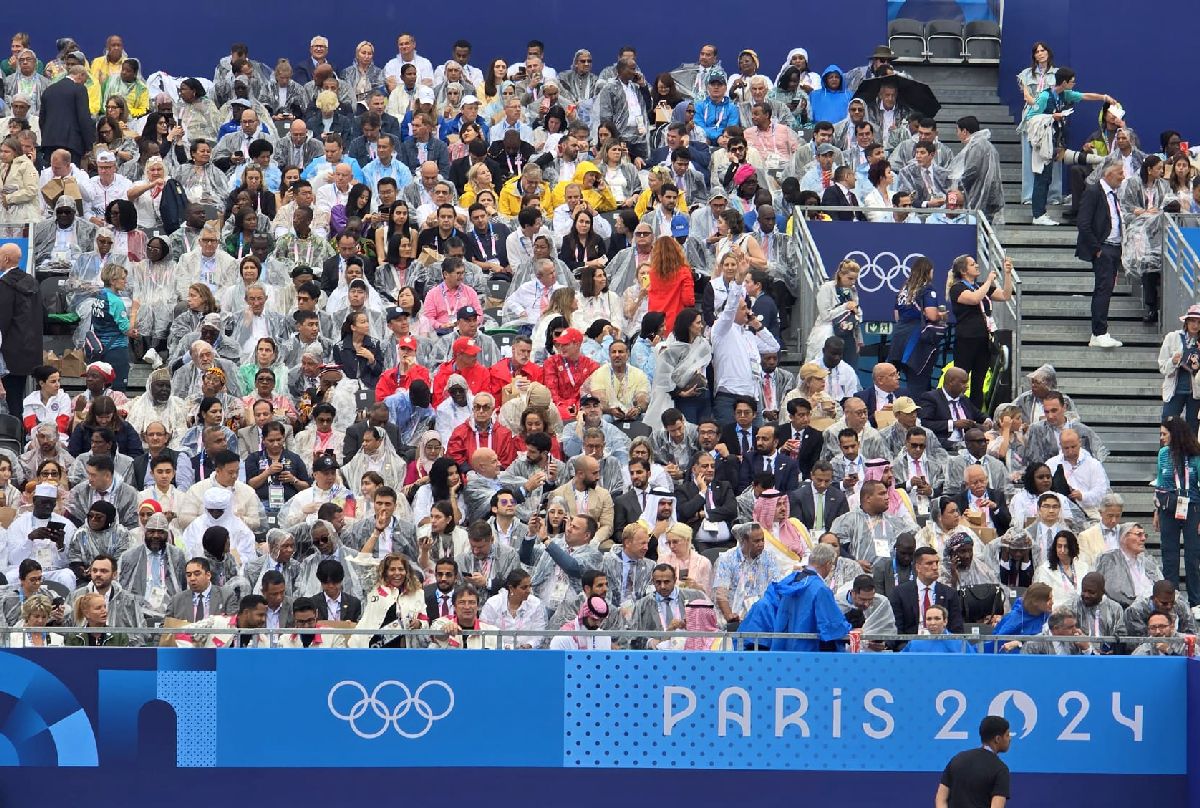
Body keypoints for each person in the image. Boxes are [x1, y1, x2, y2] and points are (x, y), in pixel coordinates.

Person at [738, 542, 850, 651]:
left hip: (784, 650)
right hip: (809, 654)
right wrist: (850, 629)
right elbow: (832, 626)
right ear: (828, 564)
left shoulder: (789, 581)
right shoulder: (820, 589)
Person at [948, 254, 1014, 410]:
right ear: (964, 271)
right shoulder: (957, 288)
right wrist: (989, 280)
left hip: (983, 339)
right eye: (972, 264)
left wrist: (1007, 274)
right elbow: (974, 299)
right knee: (960, 379)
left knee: (979, 379)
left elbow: (1005, 295)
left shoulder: (980, 286)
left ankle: (976, 415)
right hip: (966, 339)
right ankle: (955, 410)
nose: (977, 265)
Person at [1076, 158, 1126, 349]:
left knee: (1107, 289)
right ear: (1109, 174)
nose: (1123, 177)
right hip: (1103, 248)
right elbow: (1083, 223)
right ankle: (1098, 332)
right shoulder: (1094, 191)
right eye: (1120, 173)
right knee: (1103, 289)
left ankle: (1101, 331)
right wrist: (1097, 249)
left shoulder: (1113, 194)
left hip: (1114, 247)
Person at [1154, 416, 1200, 606]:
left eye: (1164, 434)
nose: (1162, 438)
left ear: (1175, 434)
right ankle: (1169, 601)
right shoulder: (1163, 453)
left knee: (1192, 557)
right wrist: (1156, 510)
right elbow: (1160, 483)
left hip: (1193, 508)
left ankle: (1195, 602)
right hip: (1168, 508)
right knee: (1169, 556)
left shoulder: (1196, 456)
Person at [934, 715, 1012, 808]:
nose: (1010, 739)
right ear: (997, 739)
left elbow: (940, 798)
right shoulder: (1001, 769)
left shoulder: (957, 759)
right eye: (1007, 735)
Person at [1159, 304, 1200, 432]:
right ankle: (1165, 452)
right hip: (1174, 390)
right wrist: (1173, 361)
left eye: (1199, 322)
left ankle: (1193, 453)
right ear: (1186, 322)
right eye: (1192, 321)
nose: (1195, 325)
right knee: (1168, 425)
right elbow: (1162, 367)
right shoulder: (1172, 337)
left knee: (1194, 427)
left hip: (1196, 393)